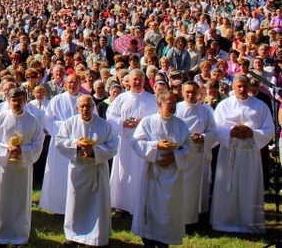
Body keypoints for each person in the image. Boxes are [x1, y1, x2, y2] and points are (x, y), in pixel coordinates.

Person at [211, 74, 274, 233]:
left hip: (249, 154)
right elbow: (215, 128)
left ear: (249, 87)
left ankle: (248, 222)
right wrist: (231, 133)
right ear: (233, 86)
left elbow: (268, 130)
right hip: (229, 152)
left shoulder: (260, 106)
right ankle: (224, 221)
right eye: (238, 86)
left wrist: (252, 133)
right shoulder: (224, 105)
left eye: (244, 86)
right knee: (228, 189)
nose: (241, 89)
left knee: (248, 187)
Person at [55, 94, 119, 247]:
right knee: (75, 201)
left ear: (93, 107)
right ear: (77, 108)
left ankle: (95, 235)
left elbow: (113, 146)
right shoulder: (70, 123)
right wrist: (76, 144)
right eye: (82, 106)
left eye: (88, 106)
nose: (85, 109)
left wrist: (93, 151)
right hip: (78, 169)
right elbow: (59, 142)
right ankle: (73, 234)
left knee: (96, 203)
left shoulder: (103, 125)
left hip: (96, 170)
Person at [131, 92, 192, 248]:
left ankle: (165, 239)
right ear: (159, 104)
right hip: (153, 171)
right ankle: (149, 239)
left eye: (174, 104)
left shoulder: (180, 124)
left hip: (172, 173)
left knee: (168, 207)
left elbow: (189, 148)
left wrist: (175, 156)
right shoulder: (148, 121)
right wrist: (156, 145)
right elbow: (136, 143)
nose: (172, 107)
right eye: (169, 103)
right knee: (151, 205)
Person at [0, 88, 44, 246]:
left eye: (19, 100)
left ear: (24, 101)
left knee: (19, 200)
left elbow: (38, 143)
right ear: (8, 101)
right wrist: (7, 149)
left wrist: (23, 151)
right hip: (3, 167)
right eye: (13, 100)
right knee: (0, 199)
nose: (17, 103)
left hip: (22, 168)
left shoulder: (33, 120)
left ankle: (18, 235)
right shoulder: (0, 118)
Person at [106, 69, 158, 215]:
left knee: (139, 172)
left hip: (142, 142)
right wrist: (123, 123)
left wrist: (142, 122)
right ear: (128, 81)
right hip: (124, 142)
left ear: (144, 81)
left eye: (140, 79)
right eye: (135, 79)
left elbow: (156, 118)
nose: (137, 82)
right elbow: (110, 115)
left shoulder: (151, 99)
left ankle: (138, 204)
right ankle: (120, 205)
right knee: (122, 172)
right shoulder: (121, 98)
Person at [174, 80, 217, 226]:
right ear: (182, 92)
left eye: (194, 92)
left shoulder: (205, 111)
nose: (191, 95)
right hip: (179, 154)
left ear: (199, 93)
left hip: (197, 156)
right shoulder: (176, 109)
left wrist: (202, 137)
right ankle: (177, 217)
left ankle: (191, 219)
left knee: (193, 189)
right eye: (188, 92)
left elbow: (213, 132)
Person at [40, 73, 82, 214]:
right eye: (70, 82)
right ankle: (58, 206)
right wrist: (67, 127)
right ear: (65, 84)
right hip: (60, 144)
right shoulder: (57, 100)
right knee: (59, 175)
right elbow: (48, 120)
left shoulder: (85, 100)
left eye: (75, 82)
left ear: (80, 84)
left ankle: (76, 206)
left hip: (79, 144)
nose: (72, 85)